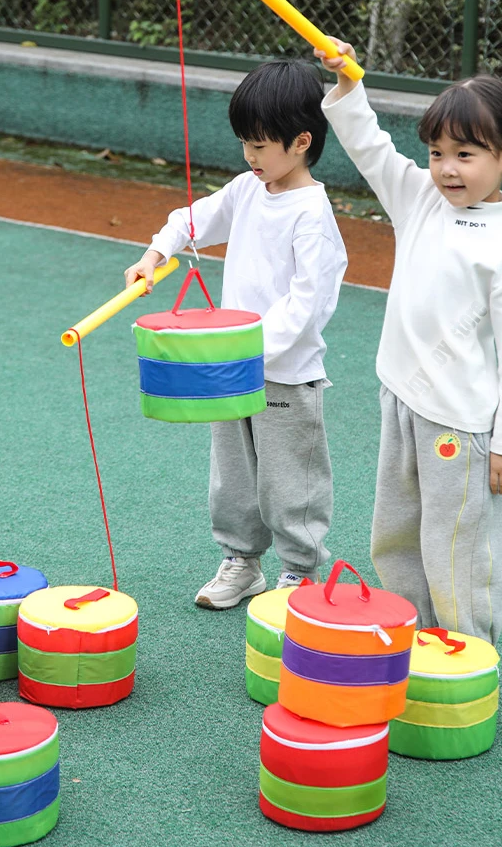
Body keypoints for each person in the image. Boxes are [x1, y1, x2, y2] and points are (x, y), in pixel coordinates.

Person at [315, 39, 502, 645]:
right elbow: (369, 146)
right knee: (395, 535)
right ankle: (411, 642)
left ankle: (469, 654)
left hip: (461, 427)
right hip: (400, 400)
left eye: (465, 154)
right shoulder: (420, 199)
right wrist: (348, 82)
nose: (447, 168)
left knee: (458, 547)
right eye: (436, 152)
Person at [124, 59, 348, 610]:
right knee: (232, 477)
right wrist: (155, 254)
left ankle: (299, 572)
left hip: (285, 376)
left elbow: (306, 306)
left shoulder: (312, 214)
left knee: (290, 481)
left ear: (301, 141)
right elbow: (193, 218)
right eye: (244, 143)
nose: (249, 156)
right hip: (230, 368)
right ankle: (242, 561)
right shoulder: (249, 188)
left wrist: (244, 344)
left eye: (260, 145)